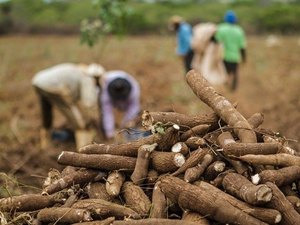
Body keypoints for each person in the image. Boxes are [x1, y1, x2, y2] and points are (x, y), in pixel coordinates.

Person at [32, 62, 105, 149]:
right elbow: (88, 103)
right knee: (80, 125)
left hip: (38, 82)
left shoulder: (76, 71)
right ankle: (83, 150)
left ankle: (45, 146)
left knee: (47, 115)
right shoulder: (87, 78)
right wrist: (92, 119)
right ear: (97, 77)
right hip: (54, 88)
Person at [99, 70, 140, 140]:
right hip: (109, 91)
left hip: (128, 101)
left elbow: (134, 108)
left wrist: (125, 125)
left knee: (132, 123)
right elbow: (107, 112)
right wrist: (110, 132)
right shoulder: (105, 91)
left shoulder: (134, 89)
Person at [212, 10, 247, 91]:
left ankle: (225, 89)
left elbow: (215, 40)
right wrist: (244, 58)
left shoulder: (221, 28)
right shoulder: (239, 30)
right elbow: (242, 47)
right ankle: (233, 90)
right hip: (235, 57)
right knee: (234, 74)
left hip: (224, 56)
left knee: (225, 73)